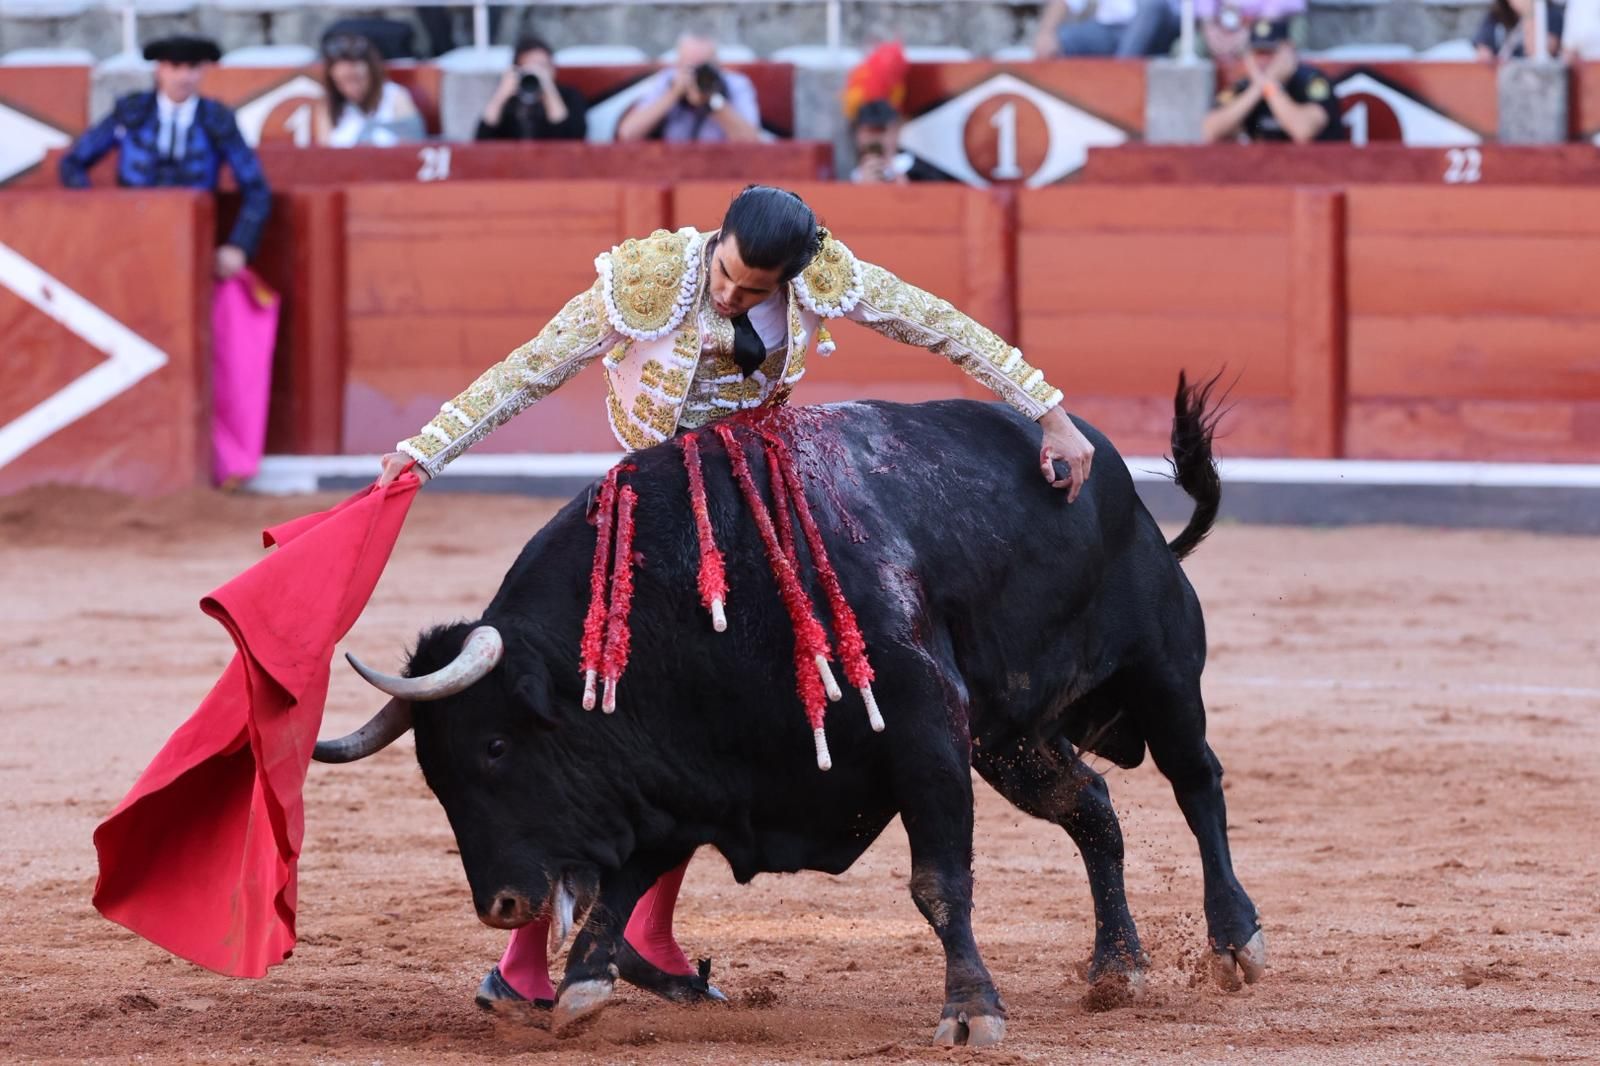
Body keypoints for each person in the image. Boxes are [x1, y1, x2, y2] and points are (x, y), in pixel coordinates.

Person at [375, 184, 1097, 1011]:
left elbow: (939, 324)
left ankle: (646, 932)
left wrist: (1049, 412)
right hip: (647, 530)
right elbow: (529, 371)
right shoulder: (648, 281)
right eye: (725, 276)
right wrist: (425, 451)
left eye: (754, 291)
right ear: (715, 241)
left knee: (698, 747)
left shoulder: (822, 278)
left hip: (752, 516)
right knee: (583, 742)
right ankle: (522, 962)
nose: (729, 296)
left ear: (788, 278)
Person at [58, 35, 268, 280]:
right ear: (160, 69)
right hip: (130, 236)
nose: (183, 77)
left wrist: (239, 245)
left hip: (193, 239)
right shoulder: (131, 112)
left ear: (202, 71)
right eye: (175, 66)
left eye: (192, 67)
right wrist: (98, 217)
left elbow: (256, 188)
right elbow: (72, 163)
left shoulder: (217, 119)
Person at [1202, 17, 1344, 144]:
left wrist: (1270, 87)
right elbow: (1210, 131)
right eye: (1258, 53)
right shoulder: (1245, 87)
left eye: (1269, 52)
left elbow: (1303, 131)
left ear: (1288, 51)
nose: (1263, 61)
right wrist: (1257, 89)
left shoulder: (1310, 80)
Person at [616, 30, 762, 144]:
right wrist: (673, 93)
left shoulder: (735, 84)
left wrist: (712, 101)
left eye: (703, 68)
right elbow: (628, 134)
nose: (696, 76)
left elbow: (752, 141)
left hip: (722, 166)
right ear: (678, 64)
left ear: (717, 65)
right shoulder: (667, 81)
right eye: (690, 68)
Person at [314, 33, 426, 147]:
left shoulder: (395, 97)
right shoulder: (329, 106)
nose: (351, 88)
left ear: (372, 73)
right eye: (342, 82)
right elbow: (325, 151)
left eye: (357, 79)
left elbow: (414, 145)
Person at [475, 33, 588, 141]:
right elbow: (481, 141)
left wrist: (549, 91)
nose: (536, 72)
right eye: (528, 66)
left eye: (542, 66)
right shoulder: (510, 100)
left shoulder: (570, 96)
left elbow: (574, 140)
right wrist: (501, 95)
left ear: (553, 69)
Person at [1033, 0, 1183, 58]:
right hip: (1108, 30)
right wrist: (1046, 33)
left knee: (1150, 6)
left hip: (1157, 30)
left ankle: (1119, 77)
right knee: (1062, 39)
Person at [848, 99, 944, 183]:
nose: (876, 138)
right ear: (857, 134)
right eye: (870, 131)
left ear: (896, 131)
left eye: (882, 130)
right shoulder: (849, 178)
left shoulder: (924, 172)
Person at [1474, 0, 1564, 61]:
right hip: (1502, 77)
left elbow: (1539, 53)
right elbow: (1482, 52)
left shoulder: (1551, 15)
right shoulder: (1497, 15)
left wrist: (1528, 13)